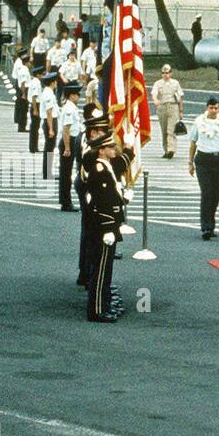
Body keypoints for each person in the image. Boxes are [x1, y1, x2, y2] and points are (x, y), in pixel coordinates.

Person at [81, 115, 129, 321]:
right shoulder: (100, 171)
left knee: (106, 268)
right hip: (103, 227)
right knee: (101, 270)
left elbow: (112, 196)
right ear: (101, 150)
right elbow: (101, 201)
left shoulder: (106, 167)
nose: (114, 149)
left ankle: (104, 304)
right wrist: (109, 227)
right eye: (110, 147)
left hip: (109, 225)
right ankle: (97, 310)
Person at [186, 97, 219, 241]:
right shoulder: (198, 121)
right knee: (207, 192)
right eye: (211, 108)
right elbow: (193, 142)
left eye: (216, 108)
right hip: (203, 159)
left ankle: (211, 223)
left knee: (216, 193)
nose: (214, 110)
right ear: (207, 107)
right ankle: (206, 226)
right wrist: (190, 162)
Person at [58, 83, 83, 213]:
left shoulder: (71, 106)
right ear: (72, 95)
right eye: (77, 94)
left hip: (72, 141)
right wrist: (67, 148)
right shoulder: (69, 108)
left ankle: (65, 200)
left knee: (66, 173)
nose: (79, 96)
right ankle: (65, 202)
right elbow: (66, 129)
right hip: (69, 141)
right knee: (66, 173)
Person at [152, 65, 185, 159]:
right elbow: (154, 93)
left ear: (170, 73)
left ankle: (171, 149)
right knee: (164, 131)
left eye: (167, 73)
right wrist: (155, 100)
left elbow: (180, 98)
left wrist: (181, 111)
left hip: (173, 106)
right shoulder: (158, 83)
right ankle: (166, 150)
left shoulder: (175, 83)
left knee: (171, 130)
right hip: (162, 107)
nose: (165, 75)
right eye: (163, 73)